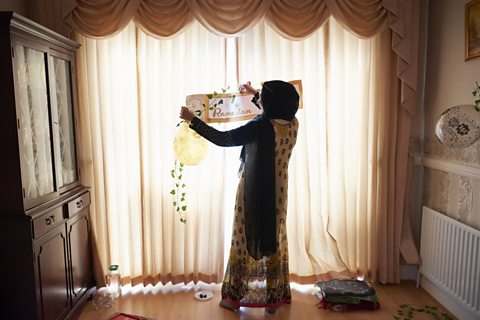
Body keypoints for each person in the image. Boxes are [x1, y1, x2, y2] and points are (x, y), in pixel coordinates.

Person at [179, 80, 299, 315]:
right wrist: (255, 94)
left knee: (245, 240)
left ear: (270, 103)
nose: (261, 99)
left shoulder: (259, 127)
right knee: (272, 239)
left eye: (263, 97)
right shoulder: (293, 123)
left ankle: (234, 299)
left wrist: (192, 120)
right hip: (279, 195)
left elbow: (224, 139)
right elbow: (272, 114)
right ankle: (272, 298)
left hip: (253, 193)